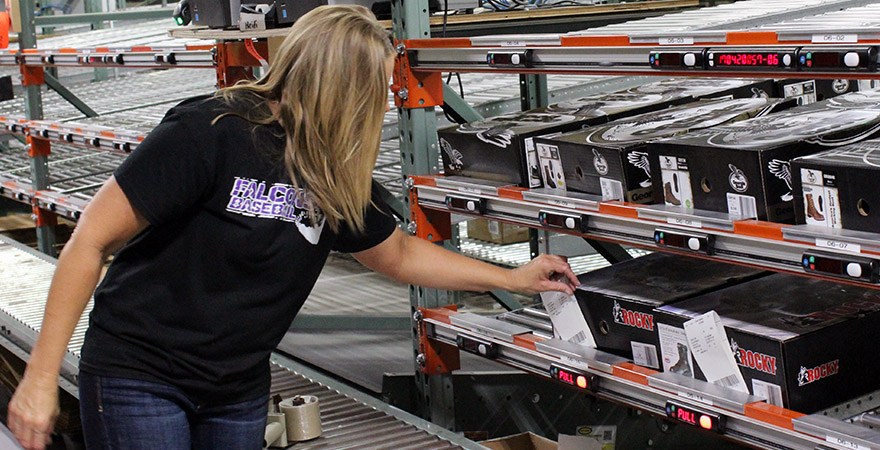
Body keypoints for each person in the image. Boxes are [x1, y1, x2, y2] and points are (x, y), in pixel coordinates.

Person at [6, 5, 578, 450]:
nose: (382, 104)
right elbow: (90, 241)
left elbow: (398, 255)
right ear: (340, 85)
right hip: (143, 375)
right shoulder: (212, 130)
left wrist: (514, 277)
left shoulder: (331, 171)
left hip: (235, 387)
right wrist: (40, 376)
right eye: (375, 88)